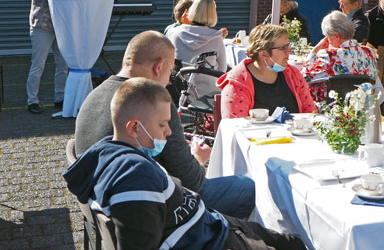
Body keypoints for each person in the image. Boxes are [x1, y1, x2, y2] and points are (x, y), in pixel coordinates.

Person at [64, 78, 310, 250]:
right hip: (211, 243)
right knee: (294, 246)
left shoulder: (114, 151)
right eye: (162, 125)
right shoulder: (134, 179)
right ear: (135, 127)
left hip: (209, 226)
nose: (169, 132)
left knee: (292, 242)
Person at [75, 31, 255, 219]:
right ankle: (222, 239)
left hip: (101, 202)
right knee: (247, 186)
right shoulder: (155, 103)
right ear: (159, 67)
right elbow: (192, 182)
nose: (169, 80)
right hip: (148, 208)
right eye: (170, 72)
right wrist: (198, 160)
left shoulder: (93, 94)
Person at [217, 24, 316, 118]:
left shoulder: (293, 74)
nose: (289, 51)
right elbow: (234, 126)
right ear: (263, 53)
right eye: (283, 48)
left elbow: (310, 114)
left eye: (288, 46)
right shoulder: (237, 83)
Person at [26, 0, 70, 114]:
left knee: (63, 65)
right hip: (42, 28)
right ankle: (32, 101)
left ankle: (60, 98)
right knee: (38, 65)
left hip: (60, 28)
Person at [301, 11, 378, 102]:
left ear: (336, 36)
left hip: (331, 109)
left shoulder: (329, 55)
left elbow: (303, 78)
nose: (327, 41)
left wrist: (314, 52)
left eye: (327, 37)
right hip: (360, 108)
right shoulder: (370, 53)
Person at [166, 0, 227, 96]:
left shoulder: (175, 33)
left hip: (181, 90)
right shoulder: (216, 38)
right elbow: (222, 70)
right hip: (208, 93)